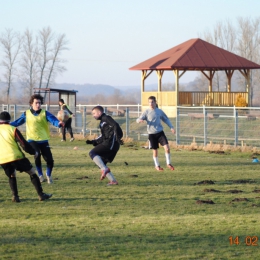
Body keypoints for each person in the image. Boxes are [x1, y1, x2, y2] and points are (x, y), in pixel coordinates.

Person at [10, 94, 64, 184]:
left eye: (39, 103)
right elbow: (17, 122)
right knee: (37, 154)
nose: (38, 105)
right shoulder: (26, 113)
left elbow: (54, 121)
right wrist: (6, 124)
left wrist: (59, 124)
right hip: (32, 140)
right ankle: (40, 175)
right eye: (36, 103)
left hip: (43, 140)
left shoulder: (45, 113)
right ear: (31, 104)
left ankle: (48, 175)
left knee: (49, 160)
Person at [0, 111, 52, 202]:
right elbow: (23, 143)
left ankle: (15, 197)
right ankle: (41, 195)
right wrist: (33, 152)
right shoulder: (13, 129)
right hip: (16, 157)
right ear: (9, 120)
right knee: (32, 172)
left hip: (3, 159)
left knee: (12, 175)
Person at [86, 105, 123, 185]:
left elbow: (116, 125)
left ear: (99, 112)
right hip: (111, 144)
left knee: (92, 153)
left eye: (94, 113)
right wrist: (94, 142)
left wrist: (118, 137)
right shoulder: (102, 122)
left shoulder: (106, 118)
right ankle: (113, 181)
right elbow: (103, 136)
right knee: (101, 163)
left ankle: (105, 171)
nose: (93, 115)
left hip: (110, 143)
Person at [136, 96, 175, 171]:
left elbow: (166, 119)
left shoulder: (159, 111)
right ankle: (157, 166)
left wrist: (171, 127)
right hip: (151, 134)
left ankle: (168, 163)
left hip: (160, 133)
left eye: (152, 102)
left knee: (167, 148)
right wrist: (140, 120)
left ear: (155, 102)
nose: (151, 103)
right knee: (155, 150)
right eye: (149, 102)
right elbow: (138, 119)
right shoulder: (146, 112)